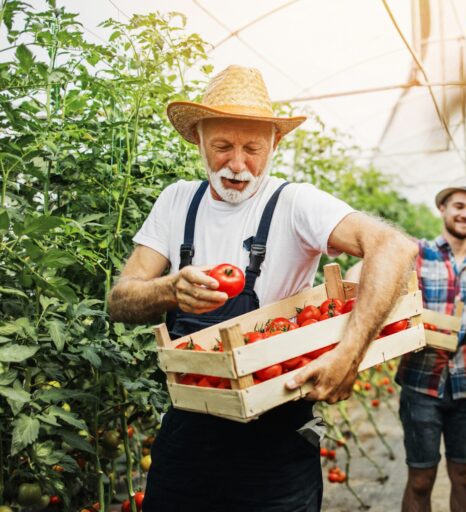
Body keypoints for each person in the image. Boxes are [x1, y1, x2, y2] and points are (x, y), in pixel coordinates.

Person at [107, 65, 417, 512]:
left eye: (252, 148)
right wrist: (169, 290)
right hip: (189, 428)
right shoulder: (177, 201)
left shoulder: (294, 203)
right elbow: (121, 300)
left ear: (275, 144)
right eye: (222, 147)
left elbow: (393, 246)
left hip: (278, 434)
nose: (237, 165)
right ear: (198, 141)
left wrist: (349, 353)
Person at [398, 177, 466, 512]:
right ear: (442, 208)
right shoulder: (418, 253)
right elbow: (377, 269)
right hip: (421, 384)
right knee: (421, 479)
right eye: (459, 205)